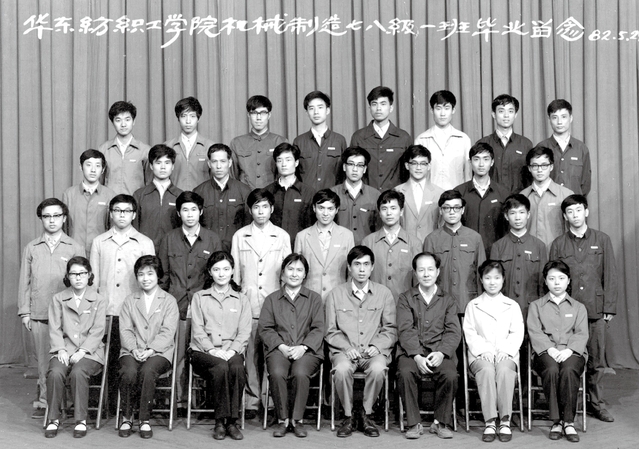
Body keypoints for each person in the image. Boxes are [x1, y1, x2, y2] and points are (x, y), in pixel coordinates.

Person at [550, 194, 618, 423]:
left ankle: (596, 404)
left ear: (586, 212)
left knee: (596, 360)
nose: (575, 215)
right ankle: (574, 404)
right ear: (564, 216)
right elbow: (552, 278)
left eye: (579, 210)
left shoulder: (602, 239)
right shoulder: (558, 244)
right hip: (568, 312)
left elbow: (610, 274)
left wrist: (609, 307)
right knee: (572, 358)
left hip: (596, 309)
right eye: (570, 212)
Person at [19, 198, 85, 419]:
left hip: (68, 314)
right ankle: (45, 404)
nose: (52, 220)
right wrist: (25, 312)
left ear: (64, 218)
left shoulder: (75, 247)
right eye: (47, 216)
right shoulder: (32, 247)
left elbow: (83, 281)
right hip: (39, 312)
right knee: (44, 362)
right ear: (41, 219)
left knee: (67, 360)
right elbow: (24, 281)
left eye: (57, 215)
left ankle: (68, 404)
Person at [90, 194, 155, 413]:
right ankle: (108, 406)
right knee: (109, 358)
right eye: (117, 210)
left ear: (134, 215)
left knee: (131, 359)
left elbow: (150, 280)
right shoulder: (99, 242)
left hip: (134, 312)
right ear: (111, 213)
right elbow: (94, 280)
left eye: (127, 211)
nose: (122, 215)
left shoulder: (144, 242)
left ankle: (130, 407)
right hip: (107, 310)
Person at [231, 188, 292, 417]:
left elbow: (287, 273)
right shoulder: (240, 236)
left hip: (274, 303)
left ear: (272, 209)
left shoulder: (282, 236)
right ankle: (252, 401)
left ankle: (271, 400)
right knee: (250, 356)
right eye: (256, 207)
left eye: (265, 206)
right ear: (250, 210)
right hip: (248, 303)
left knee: (272, 354)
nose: (261, 211)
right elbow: (235, 274)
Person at [325, 245, 396, 438]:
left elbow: (390, 329)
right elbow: (330, 331)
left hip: (373, 353)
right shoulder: (335, 294)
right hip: (345, 352)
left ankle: (366, 414)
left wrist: (377, 346)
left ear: (372, 267)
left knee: (378, 369)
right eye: (357, 264)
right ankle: (348, 416)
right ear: (349, 267)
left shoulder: (384, 294)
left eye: (366, 264)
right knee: (341, 370)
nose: (362, 269)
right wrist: (346, 347)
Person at [157, 191, 222, 404]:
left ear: (201, 212)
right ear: (178, 213)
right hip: (175, 306)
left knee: (203, 353)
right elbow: (164, 276)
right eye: (185, 210)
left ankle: (199, 401)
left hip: (204, 308)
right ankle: (176, 401)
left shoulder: (212, 239)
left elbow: (217, 275)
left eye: (194, 209)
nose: (190, 214)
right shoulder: (169, 239)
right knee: (177, 355)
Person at [258, 254, 325, 438]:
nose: (294, 274)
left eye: (299, 270)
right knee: (277, 372)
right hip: (279, 350)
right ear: (283, 273)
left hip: (308, 351)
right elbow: (265, 328)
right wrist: (281, 346)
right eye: (290, 269)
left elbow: (319, 328)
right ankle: (282, 420)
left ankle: (297, 420)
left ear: (305, 275)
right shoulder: (272, 299)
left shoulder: (314, 299)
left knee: (300, 373)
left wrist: (303, 347)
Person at [396, 252, 460, 440]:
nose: (426, 274)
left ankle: (440, 422)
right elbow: (405, 329)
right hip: (411, 353)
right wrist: (416, 355)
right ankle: (413, 423)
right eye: (421, 270)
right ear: (415, 273)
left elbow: (453, 331)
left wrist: (441, 353)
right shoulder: (406, 298)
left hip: (439, 352)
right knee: (405, 373)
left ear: (437, 272)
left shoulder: (447, 299)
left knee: (450, 375)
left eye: (430, 269)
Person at [190, 251, 252, 440]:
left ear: (232, 271)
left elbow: (244, 331)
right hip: (203, 351)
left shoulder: (241, 299)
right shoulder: (199, 297)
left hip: (231, 351)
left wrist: (232, 350)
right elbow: (198, 330)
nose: (221, 273)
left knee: (237, 368)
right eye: (216, 269)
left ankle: (231, 422)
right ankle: (219, 421)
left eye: (226, 269)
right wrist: (213, 350)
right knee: (220, 367)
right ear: (210, 272)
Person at [44, 256, 107, 438]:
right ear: (68, 276)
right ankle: (53, 419)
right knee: (55, 372)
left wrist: (83, 351)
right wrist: (61, 349)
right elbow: (54, 328)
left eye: (82, 273)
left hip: (90, 352)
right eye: (73, 274)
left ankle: (81, 421)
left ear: (89, 275)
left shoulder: (99, 300)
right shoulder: (58, 299)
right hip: (64, 349)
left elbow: (98, 330)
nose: (78, 277)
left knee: (78, 372)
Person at [117, 255, 179, 439]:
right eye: (141, 274)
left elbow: (168, 331)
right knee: (128, 371)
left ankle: (144, 420)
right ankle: (127, 417)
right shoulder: (129, 301)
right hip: (131, 350)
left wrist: (151, 349)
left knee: (147, 371)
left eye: (150, 274)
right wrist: (134, 349)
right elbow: (125, 329)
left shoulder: (169, 301)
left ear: (158, 275)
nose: (145, 278)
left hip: (160, 352)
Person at [463, 260, 524, 442]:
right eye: (488, 278)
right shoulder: (473, 305)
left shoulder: (512, 305)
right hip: (480, 355)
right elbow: (470, 333)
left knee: (504, 370)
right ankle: (490, 422)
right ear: (481, 280)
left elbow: (517, 332)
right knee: (487, 370)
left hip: (507, 354)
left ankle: (504, 421)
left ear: (503, 280)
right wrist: (484, 351)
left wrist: (506, 350)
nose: (492, 282)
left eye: (497, 278)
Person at [527, 260, 588, 443]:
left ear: (568, 281)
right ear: (545, 281)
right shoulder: (536, 306)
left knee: (568, 370)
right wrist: (550, 349)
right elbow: (534, 331)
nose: (557, 283)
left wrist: (569, 350)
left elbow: (582, 333)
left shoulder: (578, 307)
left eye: (561, 278)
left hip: (572, 352)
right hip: (545, 352)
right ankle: (556, 421)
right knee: (552, 369)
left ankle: (568, 422)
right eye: (552, 278)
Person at [424, 190, 486, 313]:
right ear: (440, 211)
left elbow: (482, 273)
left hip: (468, 302)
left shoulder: (475, 238)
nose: (452, 212)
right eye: (447, 208)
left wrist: (480, 304)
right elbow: (427, 276)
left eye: (456, 208)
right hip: (440, 305)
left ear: (462, 210)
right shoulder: (431, 239)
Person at [490, 194, 547, 318]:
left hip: (532, 308)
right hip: (504, 309)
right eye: (512, 213)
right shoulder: (498, 246)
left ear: (528, 214)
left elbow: (543, 282)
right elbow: (493, 281)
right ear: (506, 216)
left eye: (521, 212)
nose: (517, 218)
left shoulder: (539, 246)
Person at [294, 189, 354, 302]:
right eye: (321, 208)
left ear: (337, 210)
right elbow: (296, 271)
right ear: (314, 208)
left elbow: (351, 272)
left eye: (330, 209)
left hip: (338, 298)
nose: (325, 213)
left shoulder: (347, 235)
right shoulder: (302, 236)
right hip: (308, 299)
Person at [361, 190, 422, 302]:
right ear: (379, 213)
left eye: (393, 208)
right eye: (384, 209)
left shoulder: (414, 243)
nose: (389, 213)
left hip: (405, 304)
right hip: (374, 304)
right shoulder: (368, 242)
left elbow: (418, 280)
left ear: (401, 211)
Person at [350, 86, 412, 190]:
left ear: (391, 108)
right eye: (374, 104)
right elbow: (352, 169)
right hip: (366, 196)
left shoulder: (403, 137)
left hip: (395, 196)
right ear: (369, 108)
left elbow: (410, 171)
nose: (378, 108)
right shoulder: (359, 137)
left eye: (383, 104)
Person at [454, 142, 510, 257]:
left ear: (492, 162)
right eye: (476, 159)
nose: (481, 164)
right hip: (465, 253)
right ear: (470, 162)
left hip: (495, 253)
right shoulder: (459, 192)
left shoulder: (503, 193)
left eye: (486, 159)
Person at [194, 143, 252, 251]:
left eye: (223, 161)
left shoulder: (244, 191)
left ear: (229, 163)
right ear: (209, 164)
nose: (219, 166)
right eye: (214, 161)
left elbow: (249, 224)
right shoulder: (199, 192)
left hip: (236, 249)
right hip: (207, 250)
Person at [475, 94, 533, 193]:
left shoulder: (526, 144)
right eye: (501, 111)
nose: (506, 115)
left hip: (518, 199)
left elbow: (530, 178)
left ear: (515, 114)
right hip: (490, 198)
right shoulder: (483, 143)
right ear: (493, 114)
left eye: (510, 111)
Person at [63, 149, 116, 257]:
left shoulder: (110, 195)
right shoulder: (69, 194)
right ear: (81, 167)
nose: (93, 170)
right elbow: (64, 227)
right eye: (88, 165)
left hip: (100, 252)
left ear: (103, 169)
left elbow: (112, 227)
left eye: (97, 166)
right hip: (74, 253)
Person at [414, 90, 472, 190]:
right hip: (429, 197)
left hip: (456, 196)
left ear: (453, 110)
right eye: (438, 108)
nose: (442, 113)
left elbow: (468, 174)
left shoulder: (463, 139)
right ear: (431, 110)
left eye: (447, 108)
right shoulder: (421, 140)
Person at [520, 147, 573, 251]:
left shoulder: (566, 194)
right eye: (535, 166)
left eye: (544, 165)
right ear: (529, 168)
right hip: (530, 253)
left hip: (557, 253)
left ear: (551, 167)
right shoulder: (523, 196)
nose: (539, 170)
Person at [535, 99, 591, 196]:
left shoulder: (581, 148)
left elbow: (585, 184)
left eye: (564, 117)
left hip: (573, 203)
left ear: (571, 118)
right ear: (549, 119)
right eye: (554, 117)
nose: (559, 122)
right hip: (547, 203)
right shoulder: (541, 147)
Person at [230, 95, 288, 189]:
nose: (258, 117)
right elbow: (232, 176)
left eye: (263, 113)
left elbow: (286, 175)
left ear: (269, 115)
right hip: (245, 195)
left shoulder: (280, 141)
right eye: (254, 113)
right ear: (248, 115)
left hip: (273, 195)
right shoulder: (236, 143)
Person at [294, 90, 347, 190]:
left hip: (333, 197)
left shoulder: (339, 140)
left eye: (320, 107)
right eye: (311, 108)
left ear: (327, 110)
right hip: (306, 197)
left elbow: (344, 173)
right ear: (307, 112)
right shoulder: (298, 141)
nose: (316, 112)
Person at [133, 144, 182, 250]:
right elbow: (134, 227)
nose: (163, 167)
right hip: (145, 251)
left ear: (173, 166)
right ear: (151, 166)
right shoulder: (139, 195)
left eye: (167, 163)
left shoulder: (180, 195)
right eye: (158, 163)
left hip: (173, 251)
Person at [265, 142, 315, 247]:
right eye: (279, 160)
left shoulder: (309, 192)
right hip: (272, 248)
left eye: (288, 160)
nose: (283, 164)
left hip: (300, 247)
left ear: (296, 162)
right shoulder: (267, 192)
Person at [330, 147, 381, 245]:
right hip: (338, 248)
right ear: (344, 167)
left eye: (360, 165)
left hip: (366, 249)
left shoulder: (375, 195)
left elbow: (379, 229)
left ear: (365, 169)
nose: (355, 169)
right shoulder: (332, 193)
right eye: (351, 164)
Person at [393, 144, 444, 242]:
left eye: (423, 163)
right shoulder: (396, 191)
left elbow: (442, 224)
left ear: (429, 166)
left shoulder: (439, 193)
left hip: (431, 245)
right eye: (414, 163)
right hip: (404, 245)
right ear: (407, 165)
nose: (418, 167)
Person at [98, 101, 150, 195]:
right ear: (112, 123)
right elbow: (99, 183)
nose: (123, 124)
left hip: (135, 202)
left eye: (127, 119)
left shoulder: (145, 151)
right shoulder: (103, 150)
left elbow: (149, 183)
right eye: (118, 120)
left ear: (133, 121)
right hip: (110, 202)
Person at [164, 96, 215, 190]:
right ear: (178, 119)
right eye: (183, 116)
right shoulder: (168, 147)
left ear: (198, 119)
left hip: (202, 197)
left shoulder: (209, 146)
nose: (188, 121)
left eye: (192, 116)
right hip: (175, 197)